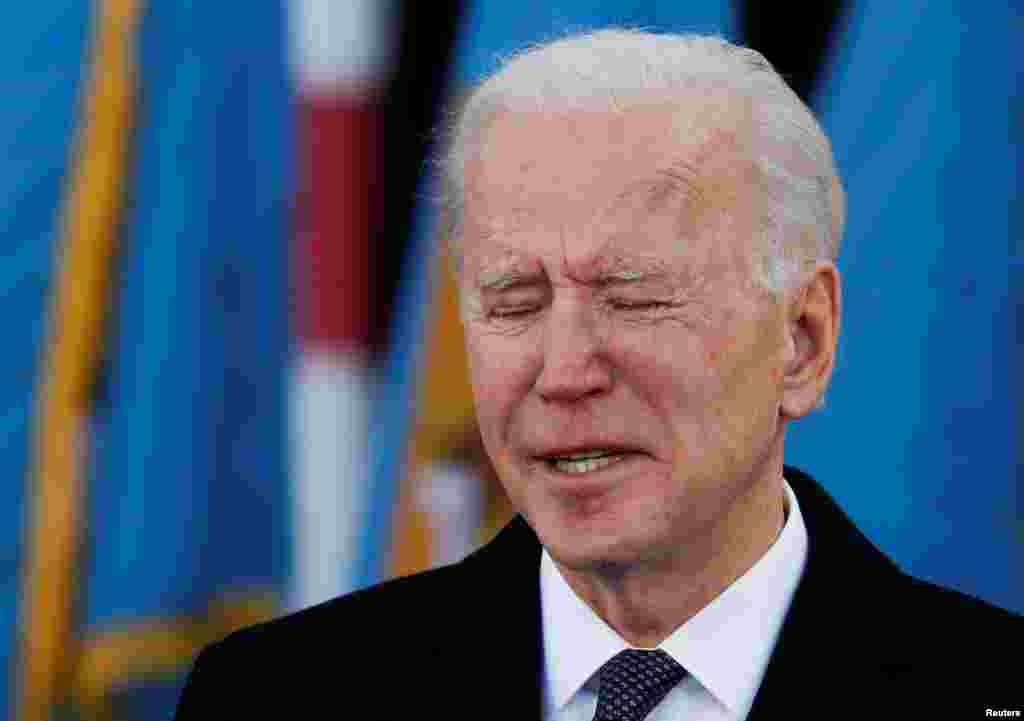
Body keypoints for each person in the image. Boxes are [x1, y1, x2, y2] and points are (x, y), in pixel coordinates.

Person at [174, 30, 1020, 720]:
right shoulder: (273, 698)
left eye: (635, 297)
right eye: (514, 301)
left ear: (801, 341)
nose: (566, 371)